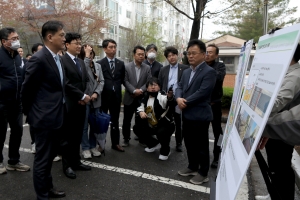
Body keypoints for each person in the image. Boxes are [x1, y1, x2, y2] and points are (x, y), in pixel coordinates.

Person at [21, 20, 66, 199]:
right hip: (44, 119)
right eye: (61, 35)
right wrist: (32, 113)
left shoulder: (57, 57)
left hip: (56, 117)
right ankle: (42, 196)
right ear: (50, 37)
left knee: (49, 159)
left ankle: (49, 188)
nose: (64, 38)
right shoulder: (39, 59)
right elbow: (26, 90)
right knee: (42, 160)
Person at [257, 43, 300, 200]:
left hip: (282, 128)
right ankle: (274, 193)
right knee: (274, 165)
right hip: (274, 125)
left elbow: (278, 101)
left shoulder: (295, 76)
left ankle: (283, 195)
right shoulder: (285, 73)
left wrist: (252, 107)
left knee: (281, 167)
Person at [176, 39, 216, 185]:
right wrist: (178, 98)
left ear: (203, 54)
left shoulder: (209, 72)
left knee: (202, 146)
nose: (190, 56)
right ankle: (192, 166)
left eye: (194, 53)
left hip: (200, 115)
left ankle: (203, 172)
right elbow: (179, 86)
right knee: (189, 143)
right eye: (188, 53)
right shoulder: (186, 71)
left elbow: (203, 92)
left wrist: (183, 101)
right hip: (186, 114)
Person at [60, 32, 91, 179]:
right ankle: (67, 166)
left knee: (78, 134)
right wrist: (81, 96)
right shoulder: (62, 61)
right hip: (69, 104)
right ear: (67, 45)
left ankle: (76, 161)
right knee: (67, 137)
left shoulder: (80, 61)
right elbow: (65, 83)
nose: (79, 46)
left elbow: (84, 82)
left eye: (80, 43)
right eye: (76, 43)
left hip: (81, 104)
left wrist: (83, 96)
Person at [0, 27, 30, 175]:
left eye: (17, 38)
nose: (17, 41)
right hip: (2, 102)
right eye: (14, 39)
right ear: (4, 41)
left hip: (17, 101)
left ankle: (13, 161)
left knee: (17, 131)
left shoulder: (17, 56)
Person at [133, 77, 176, 160]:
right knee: (137, 128)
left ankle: (165, 151)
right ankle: (153, 144)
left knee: (161, 132)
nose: (153, 87)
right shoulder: (145, 97)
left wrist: (170, 96)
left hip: (165, 125)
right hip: (153, 124)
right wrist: (141, 112)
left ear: (159, 87)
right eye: (150, 85)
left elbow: (167, 100)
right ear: (147, 88)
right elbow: (140, 107)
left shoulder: (162, 95)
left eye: (155, 85)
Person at [96, 39, 125, 152]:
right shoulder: (99, 63)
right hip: (103, 96)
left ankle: (116, 143)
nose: (113, 49)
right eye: (111, 47)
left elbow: (121, 79)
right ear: (104, 49)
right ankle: (101, 144)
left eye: (114, 47)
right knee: (101, 121)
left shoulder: (120, 64)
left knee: (115, 121)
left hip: (116, 96)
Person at [158, 46, 188, 152]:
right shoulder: (163, 70)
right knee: (166, 122)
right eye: (169, 56)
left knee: (178, 122)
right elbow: (160, 84)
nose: (171, 57)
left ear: (177, 55)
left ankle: (179, 143)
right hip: (167, 99)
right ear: (167, 58)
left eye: (173, 55)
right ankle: (165, 142)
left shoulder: (185, 68)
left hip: (179, 99)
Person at [122, 45, 152, 147]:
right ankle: (126, 138)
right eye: (139, 54)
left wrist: (141, 90)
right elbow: (125, 81)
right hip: (129, 97)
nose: (141, 56)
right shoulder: (127, 67)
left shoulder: (147, 67)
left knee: (141, 120)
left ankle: (141, 138)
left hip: (141, 98)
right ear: (134, 55)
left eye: (143, 54)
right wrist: (134, 90)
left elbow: (148, 81)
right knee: (127, 120)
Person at [78, 44, 104, 158]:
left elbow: (102, 81)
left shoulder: (98, 66)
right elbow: (83, 73)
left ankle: (93, 146)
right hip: (85, 100)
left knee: (95, 125)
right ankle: (85, 148)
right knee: (84, 126)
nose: (90, 55)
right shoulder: (81, 64)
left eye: (91, 53)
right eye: (88, 53)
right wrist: (86, 57)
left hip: (96, 100)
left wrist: (96, 93)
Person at [205, 43, 226, 168]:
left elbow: (218, 78)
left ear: (216, 55)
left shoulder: (220, 66)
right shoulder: (201, 66)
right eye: (206, 52)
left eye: (210, 52)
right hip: (203, 105)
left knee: (217, 131)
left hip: (215, 105)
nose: (207, 54)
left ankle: (217, 157)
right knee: (202, 131)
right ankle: (203, 157)